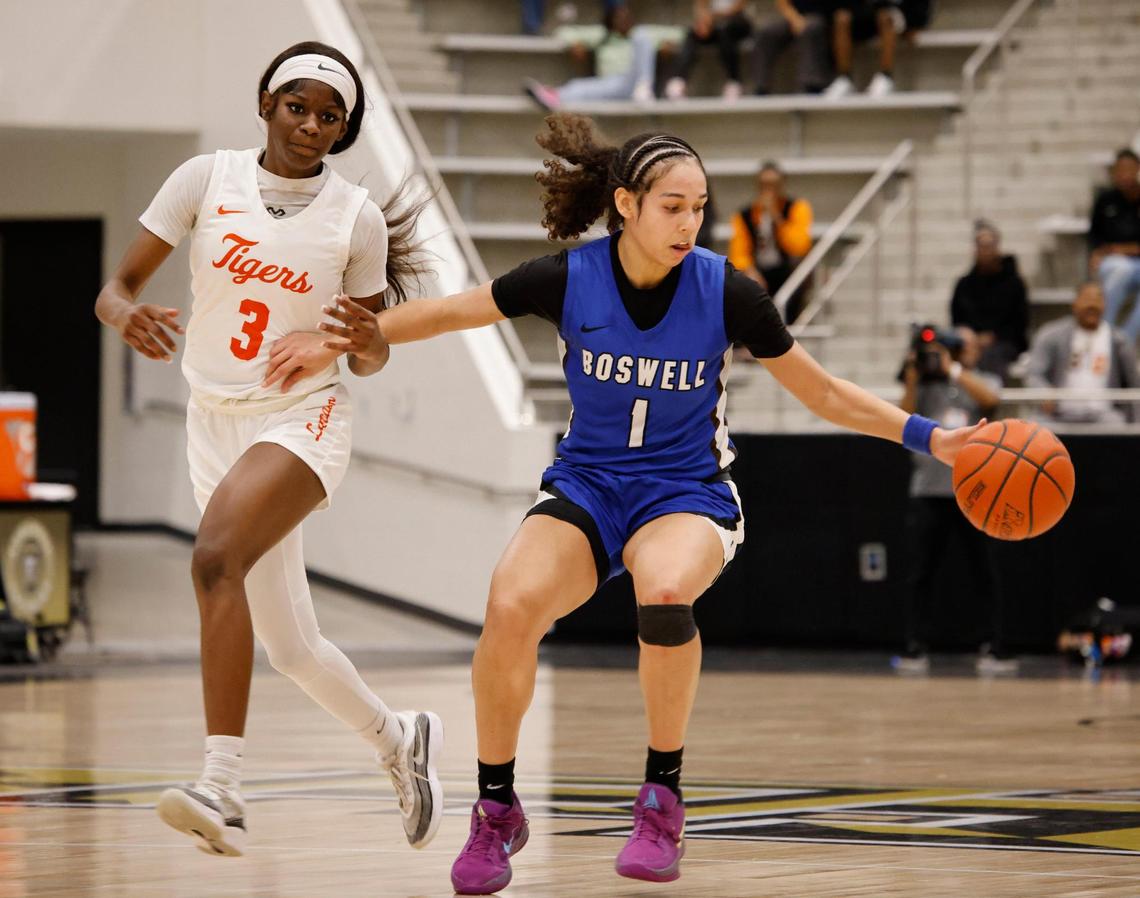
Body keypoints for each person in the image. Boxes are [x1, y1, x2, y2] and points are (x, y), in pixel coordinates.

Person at [320, 112, 984, 893]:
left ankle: (662, 798)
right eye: (673, 205)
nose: (689, 221)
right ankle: (495, 809)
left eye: (699, 206)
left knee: (663, 593)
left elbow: (825, 392)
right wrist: (349, 337)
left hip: (686, 491)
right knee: (509, 606)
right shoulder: (569, 277)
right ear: (626, 204)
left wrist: (932, 438)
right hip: (588, 486)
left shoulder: (728, 291)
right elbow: (449, 311)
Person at [93, 42, 444, 857]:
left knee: (214, 560)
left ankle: (223, 787)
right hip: (211, 419)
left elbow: (369, 351)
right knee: (290, 647)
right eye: (299, 108)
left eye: (331, 117)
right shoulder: (203, 180)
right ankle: (400, 740)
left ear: (343, 129)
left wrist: (347, 345)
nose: (313, 126)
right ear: (265, 102)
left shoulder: (353, 217)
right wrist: (123, 316)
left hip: (301, 419)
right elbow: (116, 288)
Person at [896, 326, 1009, 674]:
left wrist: (953, 370)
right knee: (921, 573)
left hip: (974, 495)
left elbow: (991, 401)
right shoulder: (925, 384)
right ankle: (915, 646)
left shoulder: (981, 378)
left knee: (984, 573)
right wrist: (915, 375)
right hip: (928, 491)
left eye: (964, 345)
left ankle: (991, 646)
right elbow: (903, 415)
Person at [1026, 281, 1140, 425]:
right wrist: (1044, 393)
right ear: (1074, 304)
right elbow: (1035, 373)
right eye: (1086, 300)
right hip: (1057, 414)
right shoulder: (1051, 335)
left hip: (1104, 415)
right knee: (1035, 427)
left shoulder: (1120, 341)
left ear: (1105, 305)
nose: (1092, 305)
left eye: (1097, 300)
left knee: (1118, 424)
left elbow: (1134, 384)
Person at [523, 5, 683, 108]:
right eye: (618, 17)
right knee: (580, 85)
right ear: (610, 21)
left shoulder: (640, 34)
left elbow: (681, 34)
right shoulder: (602, 35)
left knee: (642, 35)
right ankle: (555, 95)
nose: (623, 21)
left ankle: (643, 87)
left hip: (637, 83)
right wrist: (574, 43)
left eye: (626, 16)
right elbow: (563, 32)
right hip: (611, 85)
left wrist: (668, 43)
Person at [728, 161, 813, 322]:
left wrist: (777, 218)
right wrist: (749, 269)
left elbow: (799, 246)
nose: (769, 190)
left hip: (788, 270)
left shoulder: (797, 208)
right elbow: (738, 253)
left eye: (773, 184)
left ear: (782, 185)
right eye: (764, 185)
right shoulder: (744, 215)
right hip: (759, 272)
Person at [949, 220, 1029, 382]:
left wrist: (993, 336)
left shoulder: (1014, 284)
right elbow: (957, 319)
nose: (985, 251)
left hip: (1004, 342)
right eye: (981, 246)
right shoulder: (964, 284)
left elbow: (1020, 323)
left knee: (991, 355)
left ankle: (987, 398)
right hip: (969, 341)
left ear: (997, 248)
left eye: (989, 246)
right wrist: (969, 336)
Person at [824, 0, 933, 98]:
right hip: (865, 12)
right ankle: (844, 78)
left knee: (886, 17)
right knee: (841, 18)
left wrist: (915, 24)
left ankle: (886, 76)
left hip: (896, 13)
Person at [1090, 149, 1140, 340]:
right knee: (1120, 270)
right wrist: (1097, 252)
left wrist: (1125, 248)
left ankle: (1125, 340)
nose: (1125, 174)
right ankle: (1103, 329)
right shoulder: (1105, 200)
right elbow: (1094, 235)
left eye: (1129, 169)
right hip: (1113, 261)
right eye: (1121, 170)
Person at [664, 0, 754, 101]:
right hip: (713, 23)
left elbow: (739, 6)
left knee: (725, 31)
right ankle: (678, 81)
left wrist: (713, 17)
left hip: (737, 23)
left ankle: (734, 81)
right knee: (692, 34)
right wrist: (704, 22)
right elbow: (701, 5)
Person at [748, 0, 831, 96]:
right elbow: (783, 3)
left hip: (820, 17)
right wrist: (795, 19)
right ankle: (760, 86)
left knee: (811, 28)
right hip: (794, 17)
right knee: (764, 33)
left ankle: (810, 85)